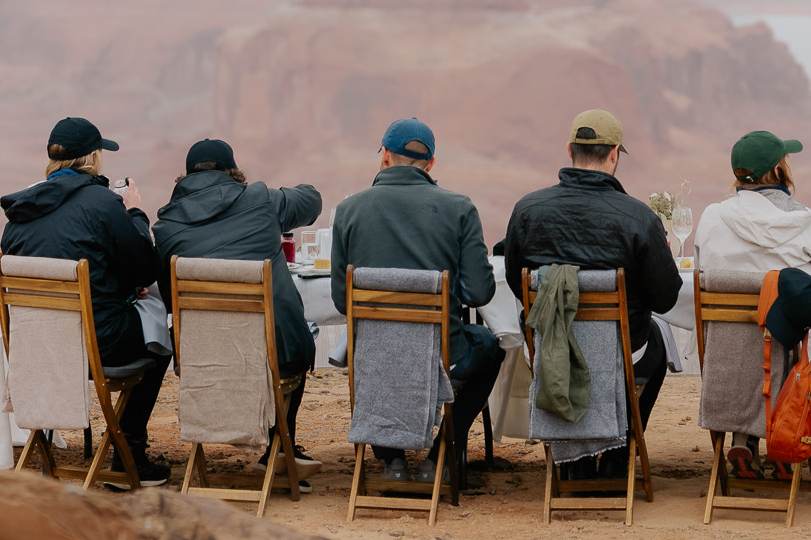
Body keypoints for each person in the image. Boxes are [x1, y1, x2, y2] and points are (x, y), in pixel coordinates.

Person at [503, 109, 682, 476]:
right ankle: (619, 458)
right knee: (659, 343)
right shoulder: (639, 218)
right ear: (614, 154)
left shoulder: (527, 211)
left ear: (569, 150)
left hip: (550, 349)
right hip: (622, 351)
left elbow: (516, 283)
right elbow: (666, 299)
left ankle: (575, 460)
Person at [330, 117, 502, 488]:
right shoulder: (459, 208)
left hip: (376, 357)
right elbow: (481, 294)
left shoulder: (348, 211)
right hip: (442, 355)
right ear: (431, 164)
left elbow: (342, 303)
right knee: (488, 347)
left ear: (386, 157)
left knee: (377, 352)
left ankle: (392, 461)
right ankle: (441, 453)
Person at [0, 116, 170, 487]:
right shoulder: (104, 203)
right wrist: (135, 211)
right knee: (159, 340)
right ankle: (130, 456)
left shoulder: (19, 212)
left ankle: (47, 449)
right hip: (99, 343)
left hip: (37, 349)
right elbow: (145, 268)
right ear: (93, 157)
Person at [151, 138, 323, 489]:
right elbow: (311, 199)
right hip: (276, 357)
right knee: (293, 340)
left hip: (204, 361)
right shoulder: (261, 199)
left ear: (183, 177)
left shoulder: (165, 228)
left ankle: (274, 446)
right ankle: (278, 445)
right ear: (233, 172)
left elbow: (171, 301)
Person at [693, 129, 811, 479]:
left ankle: (743, 439)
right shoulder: (808, 221)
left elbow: (701, 272)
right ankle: (782, 439)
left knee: (748, 351)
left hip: (727, 357)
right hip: (788, 348)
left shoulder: (712, 218)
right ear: (778, 172)